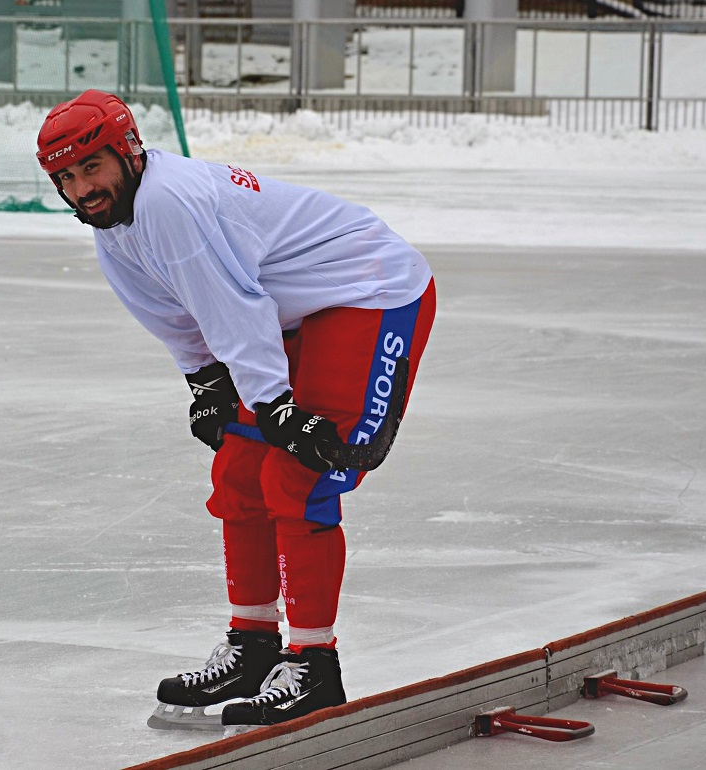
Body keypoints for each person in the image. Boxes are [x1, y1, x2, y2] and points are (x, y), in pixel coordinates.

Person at [35, 90, 436, 729]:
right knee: (241, 473)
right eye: (67, 178)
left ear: (128, 152)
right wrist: (206, 382)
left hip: (368, 288)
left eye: (92, 168)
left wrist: (273, 405)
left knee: (300, 473)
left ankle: (313, 663)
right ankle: (253, 647)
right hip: (295, 307)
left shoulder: (168, 202)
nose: (82, 189)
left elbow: (235, 305)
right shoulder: (114, 223)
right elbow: (172, 312)